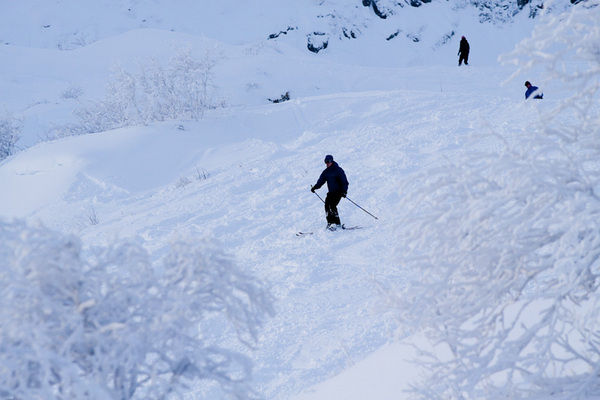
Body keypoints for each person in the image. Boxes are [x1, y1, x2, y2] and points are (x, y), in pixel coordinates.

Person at [311, 154, 349, 231]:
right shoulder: (326, 172)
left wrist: (344, 191)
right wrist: (315, 187)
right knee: (327, 205)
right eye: (326, 162)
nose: (327, 163)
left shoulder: (338, 170)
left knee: (332, 205)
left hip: (338, 192)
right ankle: (330, 223)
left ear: (332, 161)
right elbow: (321, 181)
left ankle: (337, 224)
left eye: (328, 161)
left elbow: (344, 181)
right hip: (331, 192)